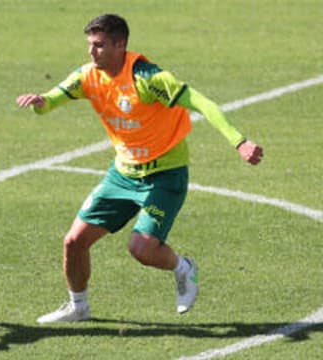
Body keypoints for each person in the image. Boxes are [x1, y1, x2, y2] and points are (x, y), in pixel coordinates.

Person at [16, 14, 263, 323]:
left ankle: (184, 268)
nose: (92, 52)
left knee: (141, 249)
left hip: (165, 175)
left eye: (100, 45)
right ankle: (78, 307)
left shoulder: (148, 78)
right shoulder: (88, 76)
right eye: (90, 45)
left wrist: (239, 141)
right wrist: (41, 101)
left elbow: (202, 102)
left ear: (121, 45)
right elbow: (52, 101)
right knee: (73, 242)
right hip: (123, 174)